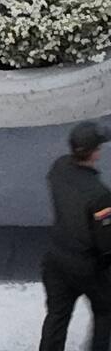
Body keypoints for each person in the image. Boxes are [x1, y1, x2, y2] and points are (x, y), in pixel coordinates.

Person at [40, 121, 111, 350]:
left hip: (55, 261)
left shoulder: (58, 168)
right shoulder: (99, 195)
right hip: (87, 267)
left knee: (57, 318)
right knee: (105, 310)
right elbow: (106, 243)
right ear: (95, 153)